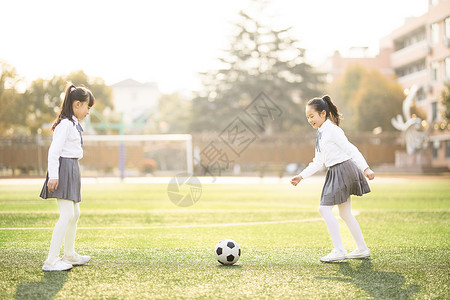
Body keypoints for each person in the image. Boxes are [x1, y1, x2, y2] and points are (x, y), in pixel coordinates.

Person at [290, 95, 375, 262]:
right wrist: (301, 176)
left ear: (323, 114)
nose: (310, 120)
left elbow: (351, 149)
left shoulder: (333, 130)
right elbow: (318, 162)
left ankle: (339, 250)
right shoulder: (321, 134)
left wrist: (366, 168)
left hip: (343, 169)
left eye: (312, 116)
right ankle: (362, 249)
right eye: (307, 117)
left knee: (324, 209)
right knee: (344, 213)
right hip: (337, 171)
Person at [40, 83, 94, 271]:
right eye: (88, 107)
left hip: (72, 167)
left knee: (75, 213)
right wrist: (53, 176)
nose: (88, 111)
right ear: (77, 104)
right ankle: (50, 261)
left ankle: (69, 255)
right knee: (67, 214)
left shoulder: (74, 123)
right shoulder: (65, 124)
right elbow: (54, 152)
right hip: (63, 169)